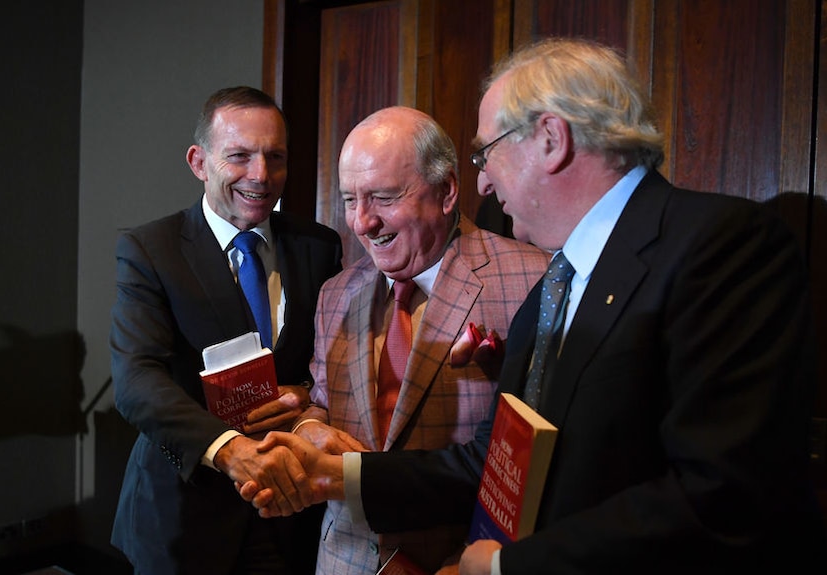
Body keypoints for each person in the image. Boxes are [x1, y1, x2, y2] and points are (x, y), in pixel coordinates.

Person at [243, 38, 826, 574]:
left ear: (551, 139)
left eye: (487, 153)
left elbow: (724, 493)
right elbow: (493, 463)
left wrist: (504, 569)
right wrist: (333, 474)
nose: (486, 185)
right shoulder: (558, 282)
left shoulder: (725, 245)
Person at [255, 106, 549, 574]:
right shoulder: (336, 293)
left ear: (447, 191)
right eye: (351, 200)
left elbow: (540, 464)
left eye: (384, 197)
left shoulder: (533, 280)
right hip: (345, 560)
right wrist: (308, 429)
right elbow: (321, 404)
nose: (362, 222)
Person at [110, 86, 343, 575]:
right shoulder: (151, 249)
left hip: (291, 514)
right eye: (239, 156)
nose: (261, 175)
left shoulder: (318, 247)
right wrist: (229, 451)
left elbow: (332, 361)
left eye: (275, 157)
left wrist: (303, 393)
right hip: (183, 517)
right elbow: (136, 381)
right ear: (199, 161)